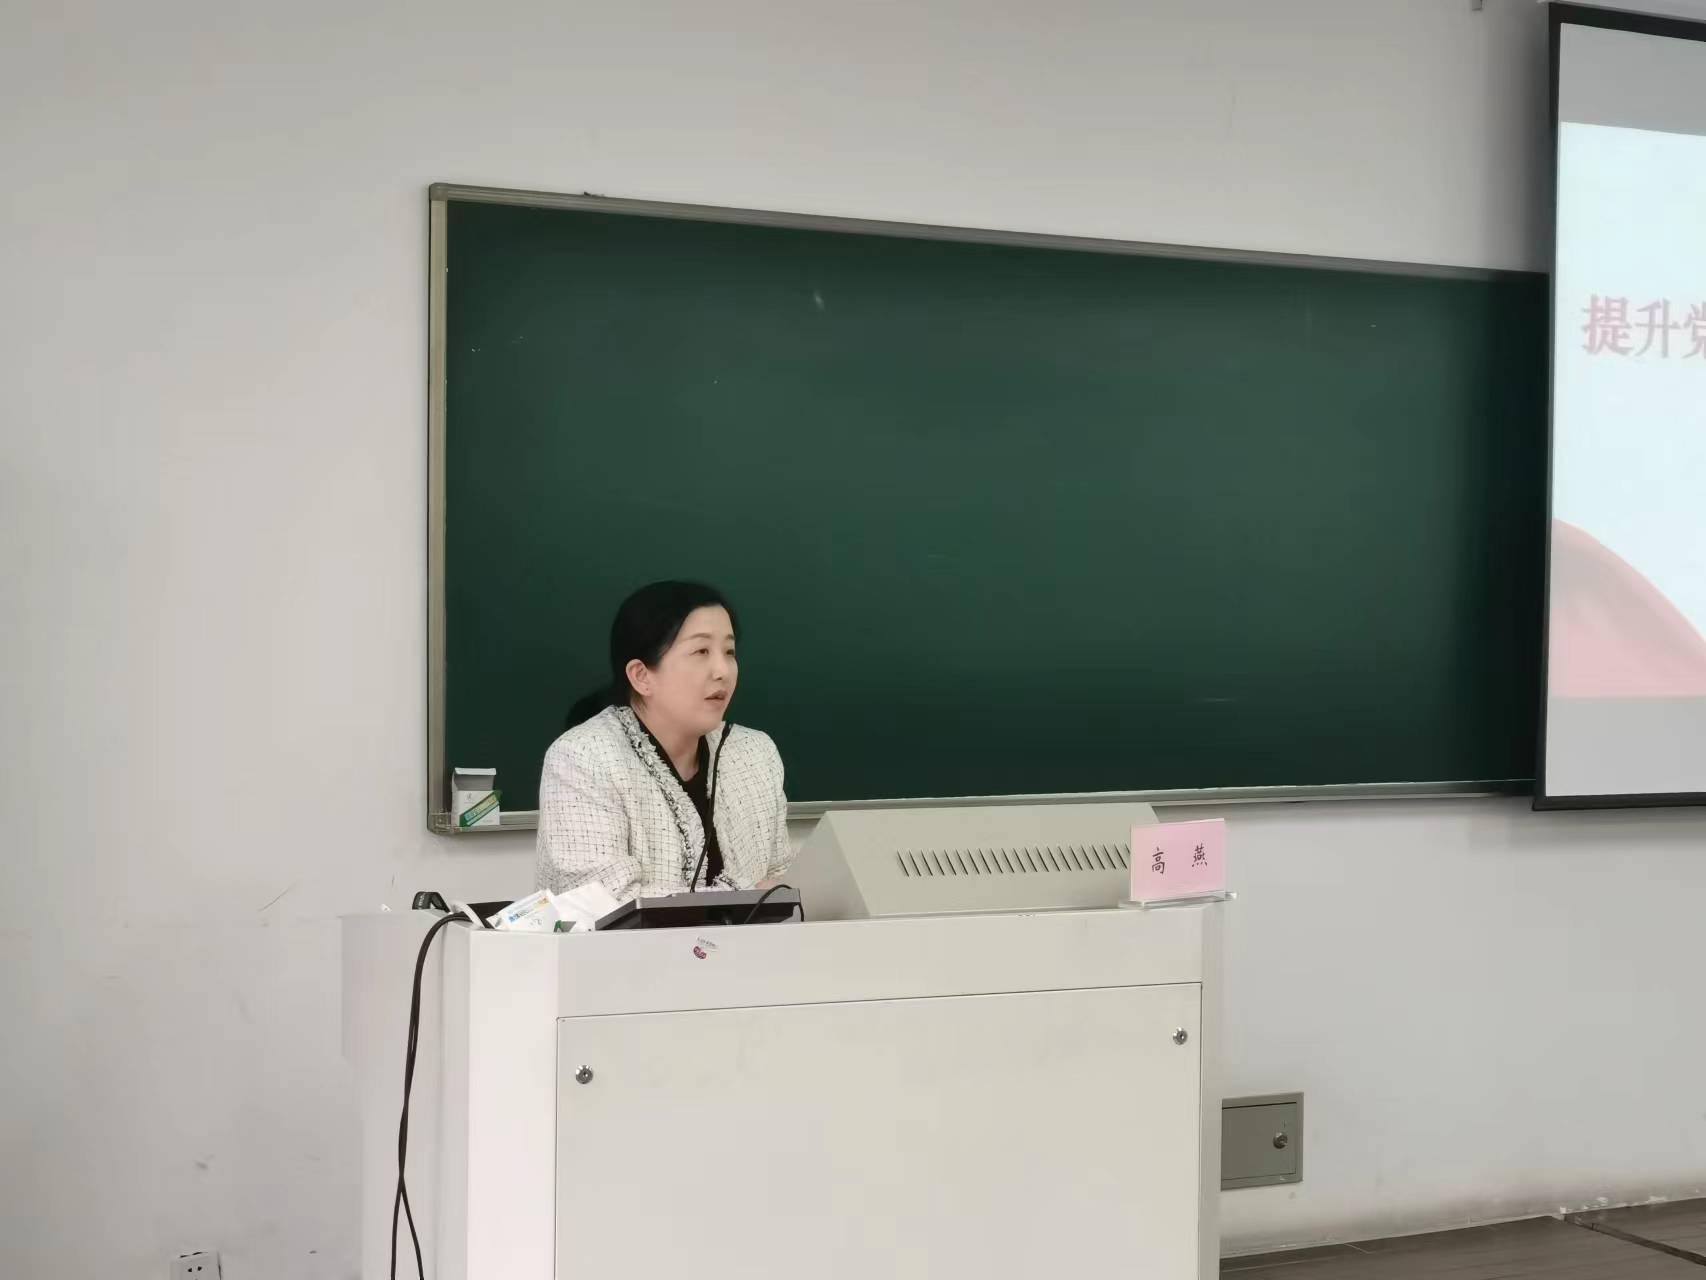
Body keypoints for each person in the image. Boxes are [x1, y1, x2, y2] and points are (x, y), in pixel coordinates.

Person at [535, 581, 792, 902]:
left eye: (729, 652)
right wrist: (747, 896)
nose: (722, 671)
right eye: (701, 651)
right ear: (641, 676)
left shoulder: (755, 754)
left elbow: (783, 884)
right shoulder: (583, 757)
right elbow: (604, 903)